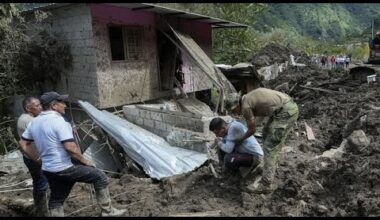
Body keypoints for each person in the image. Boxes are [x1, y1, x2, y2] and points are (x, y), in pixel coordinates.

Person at [19, 91, 126, 217]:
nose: (65, 105)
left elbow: (23, 144)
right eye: (62, 102)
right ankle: (108, 212)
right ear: (53, 106)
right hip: (64, 167)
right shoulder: (59, 122)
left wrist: (38, 160)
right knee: (100, 177)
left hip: (49, 169)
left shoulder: (34, 123)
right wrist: (85, 161)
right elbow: (70, 147)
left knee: (57, 199)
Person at [226, 88, 299, 194]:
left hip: (286, 111)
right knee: (266, 133)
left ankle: (266, 184)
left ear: (237, 105)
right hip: (283, 108)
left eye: (234, 111)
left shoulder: (246, 106)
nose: (235, 114)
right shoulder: (248, 98)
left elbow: (252, 130)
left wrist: (240, 139)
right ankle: (269, 166)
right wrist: (248, 128)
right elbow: (259, 118)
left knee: (270, 145)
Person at [17, 96, 49, 217]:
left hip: (33, 157)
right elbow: (26, 144)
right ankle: (42, 211)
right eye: (37, 105)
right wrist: (39, 160)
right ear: (28, 108)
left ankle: (39, 208)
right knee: (42, 183)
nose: (40, 107)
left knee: (39, 182)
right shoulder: (28, 121)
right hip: (35, 158)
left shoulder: (31, 118)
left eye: (40, 104)